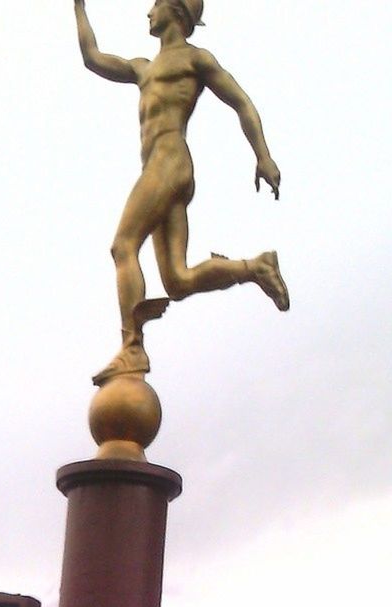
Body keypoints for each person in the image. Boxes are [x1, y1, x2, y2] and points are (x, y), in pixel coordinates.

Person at [74, 0, 289, 386]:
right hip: (159, 167)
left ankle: (132, 345)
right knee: (177, 280)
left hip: (169, 160)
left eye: (154, 5)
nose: (147, 12)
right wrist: (79, 5)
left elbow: (241, 102)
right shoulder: (143, 68)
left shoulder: (195, 59)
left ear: (174, 11)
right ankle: (255, 267)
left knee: (123, 246)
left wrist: (264, 156)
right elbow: (92, 57)